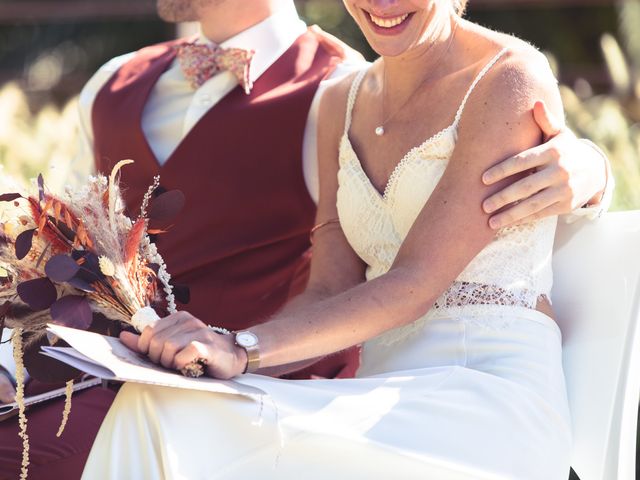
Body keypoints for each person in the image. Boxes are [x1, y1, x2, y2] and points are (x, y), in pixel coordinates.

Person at [0, 0, 611, 478]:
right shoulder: (341, 101)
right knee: (155, 410)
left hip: (483, 403)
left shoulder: (506, 77)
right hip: (383, 395)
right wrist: (213, 359)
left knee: (177, 432)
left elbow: (414, 282)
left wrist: (241, 347)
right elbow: (327, 289)